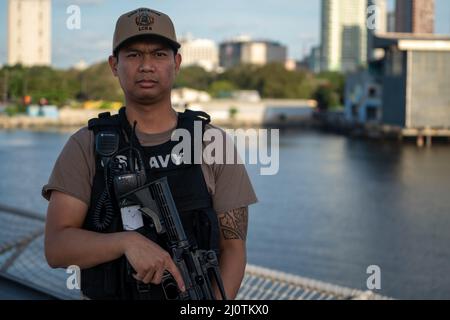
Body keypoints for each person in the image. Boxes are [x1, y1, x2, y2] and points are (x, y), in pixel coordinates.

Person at [42, 7, 257, 300]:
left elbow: (233, 248)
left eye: (159, 54)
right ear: (113, 65)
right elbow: (56, 247)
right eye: (133, 55)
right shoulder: (86, 145)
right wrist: (126, 243)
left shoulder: (212, 144)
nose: (146, 65)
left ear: (176, 63)